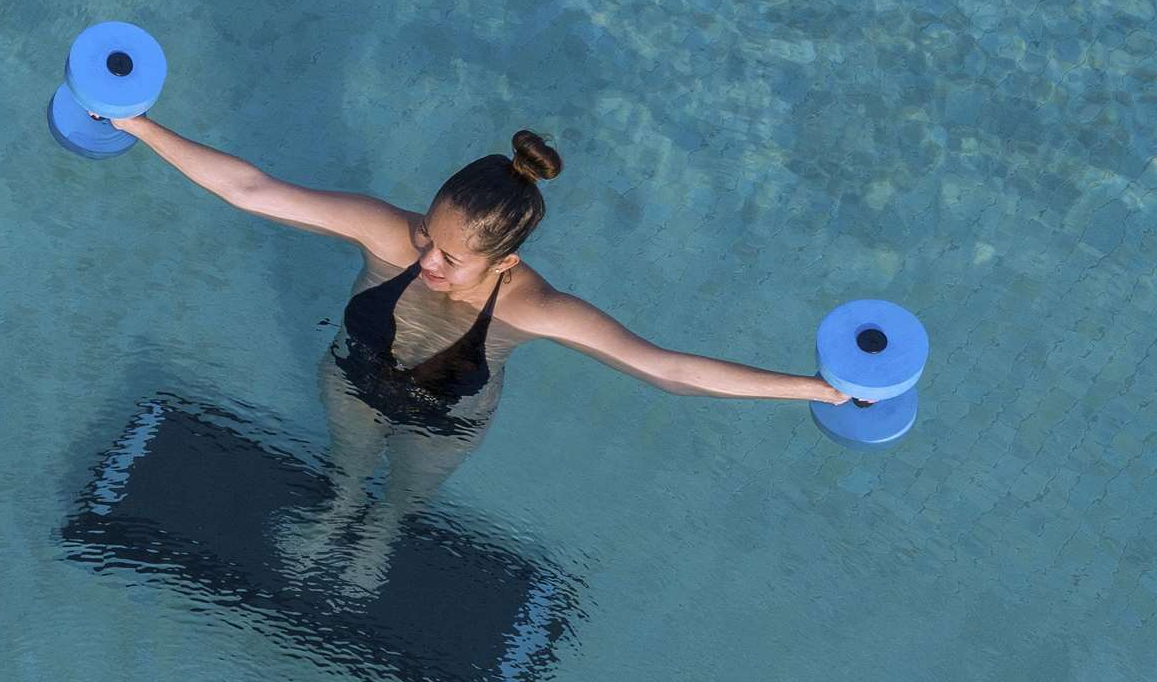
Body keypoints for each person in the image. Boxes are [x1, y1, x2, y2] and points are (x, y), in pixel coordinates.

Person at [101, 116, 853, 596]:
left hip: (446, 422)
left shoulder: (532, 308)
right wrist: (133, 121)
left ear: (504, 263)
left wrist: (817, 390)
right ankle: (338, 509)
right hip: (353, 381)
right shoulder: (386, 234)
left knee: (405, 493)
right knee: (348, 463)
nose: (426, 259)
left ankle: (384, 530)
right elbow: (250, 188)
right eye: (427, 237)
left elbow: (666, 370)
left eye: (451, 258)